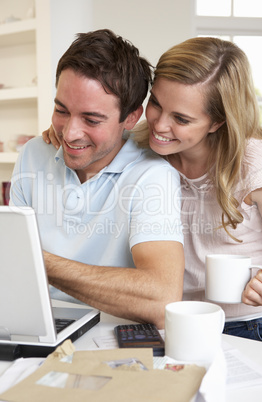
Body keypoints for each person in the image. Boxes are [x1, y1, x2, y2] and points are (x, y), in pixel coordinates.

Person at [44, 36, 262, 341]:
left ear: (216, 122)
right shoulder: (142, 150)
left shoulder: (255, 164)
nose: (159, 126)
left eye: (181, 118)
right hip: (173, 324)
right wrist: (69, 133)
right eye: (157, 104)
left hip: (249, 325)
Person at [10, 29, 185, 329]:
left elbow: (163, 298)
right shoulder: (34, 154)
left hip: (111, 333)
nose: (70, 133)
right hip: (32, 324)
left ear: (130, 117)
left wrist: (38, 261)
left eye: (91, 120)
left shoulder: (152, 176)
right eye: (61, 110)